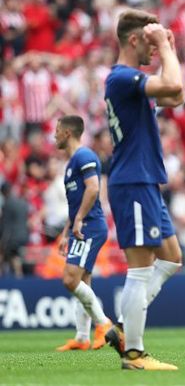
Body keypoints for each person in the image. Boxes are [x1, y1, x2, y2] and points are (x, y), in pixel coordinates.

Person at [104, 9, 184, 370]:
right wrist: (165, 45)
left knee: (171, 258)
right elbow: (173, 86)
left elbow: (176, 97)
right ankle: (133, 353)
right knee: (139, 269)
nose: (154, 51)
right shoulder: (122, 78)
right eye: (149, 43)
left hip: (145, 179)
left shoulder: (132, 81)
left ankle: (123, 327)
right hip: (133, 180)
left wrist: (169, 47)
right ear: (133, 40)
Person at [54, 115, 112, 351]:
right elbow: (76, 203)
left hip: (90, 226)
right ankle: (81, 337)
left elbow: (94, 188)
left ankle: (104, 325)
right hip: (81, 226)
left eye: (57, 131)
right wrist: (66, 231)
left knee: (70, 279)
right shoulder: (71, 163)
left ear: (68, 133)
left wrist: (78, 221)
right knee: (83, 282)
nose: (54, 135)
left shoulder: (85, 156)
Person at [0, 181, 29, 277]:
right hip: (24, 236)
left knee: (5, 256)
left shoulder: (7, 204)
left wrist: (3, 242)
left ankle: (5, 280)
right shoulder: (22, 202)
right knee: (15, 257)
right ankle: (18, 277)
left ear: (3, 192)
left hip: (12, 238)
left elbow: (5, 226)